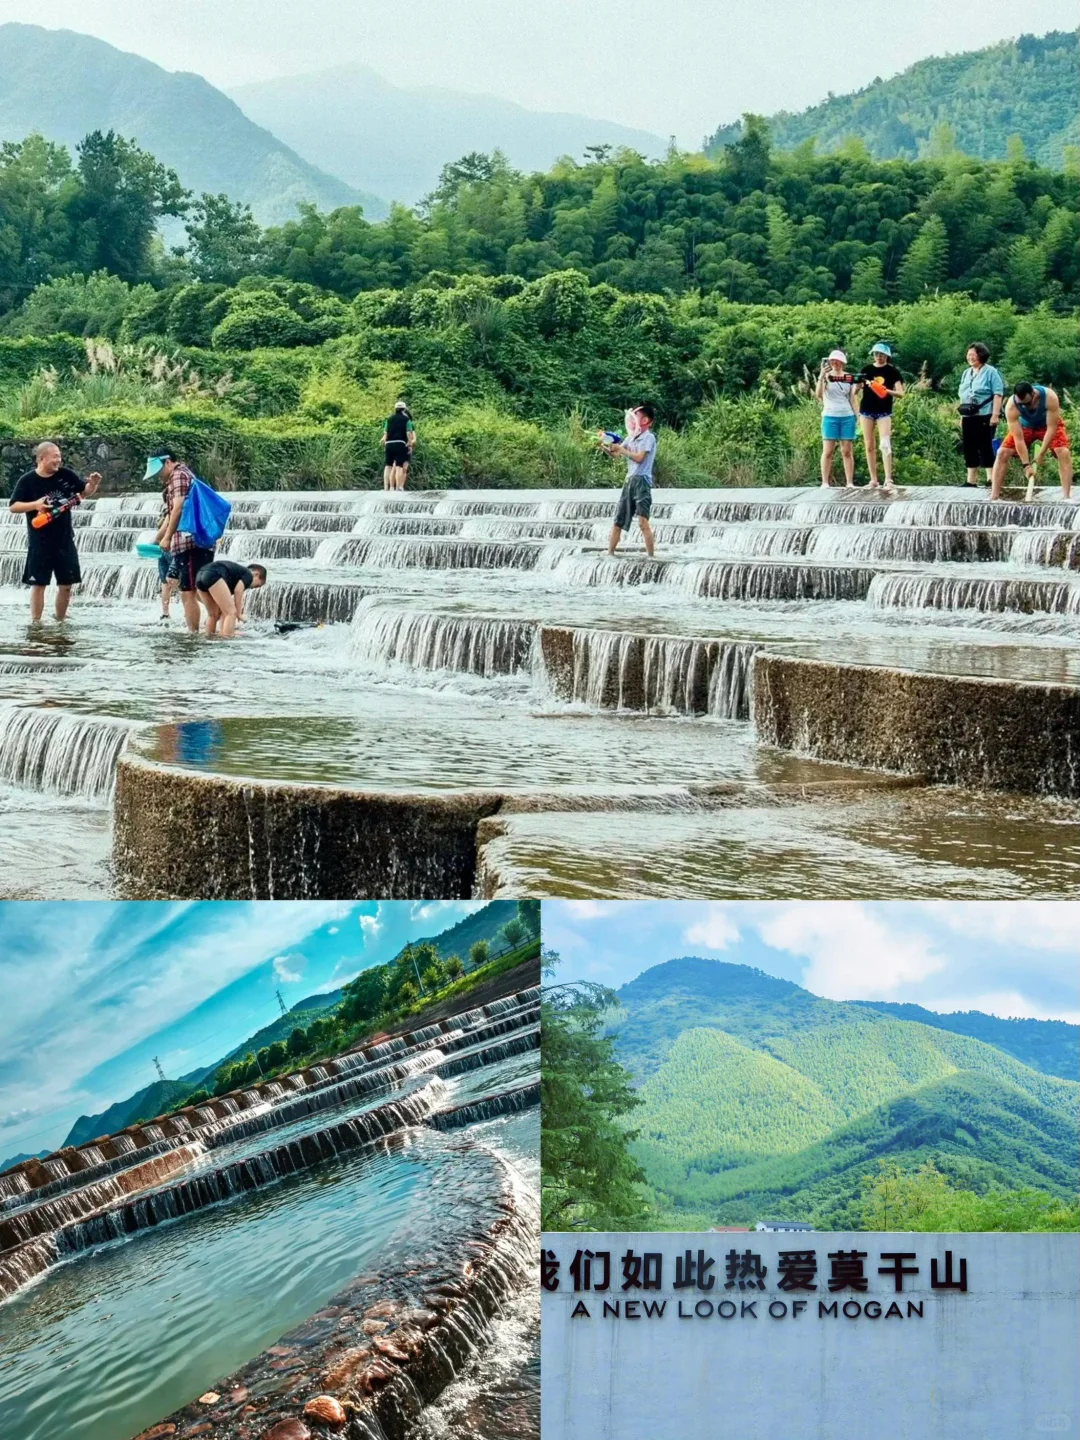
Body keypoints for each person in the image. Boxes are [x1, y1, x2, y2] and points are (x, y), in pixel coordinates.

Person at [7, 441, 102, 622]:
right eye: (55, 456)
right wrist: (35, 505)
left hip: (64, 540)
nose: (59, 460)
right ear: (42, 458)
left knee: (66, 585)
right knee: (39, 584)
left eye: (60, 456)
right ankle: (36, 623)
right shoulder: (27, 480)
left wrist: (93, 485)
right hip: (40, 541)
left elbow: (85, 491)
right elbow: (13, 506)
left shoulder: (66, 475)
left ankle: (60, 621)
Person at [148, 453, 214, 633]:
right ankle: (215, 621)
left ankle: (197, 631)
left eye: (159, 471)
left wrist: (167, 537)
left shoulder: (178, 476)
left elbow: (177, 508)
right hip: (191, 543)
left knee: (189, 591)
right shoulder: (184, 474)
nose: (158, 476)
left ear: (168, 462)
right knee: (190, 589)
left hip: (190, 543)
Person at [990, 381, 1073, 501]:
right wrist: (1026, 465)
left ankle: (1066, 497)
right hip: (1025, 427)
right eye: (1022, 404)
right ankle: (994, 497)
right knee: (1002, 452)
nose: (1025, 407)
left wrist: (1041, 454)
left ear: (1035, 395)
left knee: (1063, 452)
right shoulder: (1011, 405)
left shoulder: (1049, 397)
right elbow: (1018, 438)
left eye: (1028, 403)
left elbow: (1051, 428)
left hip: (1047, 426)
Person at [601, 404, 658, 557]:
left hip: (642, 482)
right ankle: (610, 553)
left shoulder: (649, 437)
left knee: (642, 522)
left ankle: (651, 557)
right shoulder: (630, 437)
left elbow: (639, 458)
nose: (633, 419)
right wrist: (606, 447)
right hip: (629, 481)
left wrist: (622, 450)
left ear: (646, 420)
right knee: (618, 520)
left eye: (636, 416)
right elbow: (616, 454)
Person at [957, 343, 1005, 487]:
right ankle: (971, 479)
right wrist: (961, 416)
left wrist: (995, 415)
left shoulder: (991, 372)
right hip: (968, 415)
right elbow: (963, 396)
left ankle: (991, 478)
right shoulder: (966, 373)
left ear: (981, 355)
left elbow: (998, 394)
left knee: (985, 445)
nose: (970, 357)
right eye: (969, 354)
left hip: (986, 414)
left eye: (973, 354)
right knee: (969, 446)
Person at [858, 343, 904, 489]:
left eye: (881, 354)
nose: (879, 356)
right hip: (866, 410)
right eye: (876, 354)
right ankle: (873, 479)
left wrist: (884, 390)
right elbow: (856, 388)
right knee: (869, 444)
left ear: (887, 356)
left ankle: (888, 479)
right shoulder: (866, 370)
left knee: (885, 443)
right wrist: (857, 385)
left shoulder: (893, 372)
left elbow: (901, 393)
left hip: (884, 411)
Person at [816, 350, 858, 488]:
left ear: (843, 362)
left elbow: (852, 397)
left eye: (838, 361)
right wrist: (822, 376)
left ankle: (849, 482)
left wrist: (857, 416)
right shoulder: (826, 377)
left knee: (847, 450)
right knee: (828, 451)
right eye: (832, 361)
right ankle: (825, 482)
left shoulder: (848, 377)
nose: (835, 363)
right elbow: (819, 394)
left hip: (847, 415)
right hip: (830, 415)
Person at [194, 559, 267, 638]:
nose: (254, 588)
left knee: (213, 614)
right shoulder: (248, 575)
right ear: (256, 574)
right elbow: (238, 591)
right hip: (213, 575)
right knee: (231, 612)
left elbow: (224, 611)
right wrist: (239, 614)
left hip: (200, 576)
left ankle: (209, 638)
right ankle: (227, 641)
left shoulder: (234, 576)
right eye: (258, 585)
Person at [381, 401, 415, 491]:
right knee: (399, 466)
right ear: (404, 409)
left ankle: (385, 487)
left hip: (389, 443)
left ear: (395, 409)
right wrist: (410, 444)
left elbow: (385, 433)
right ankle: (398, 488)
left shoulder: (389, 419)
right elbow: (408, 433)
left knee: (388, 466)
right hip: (400, 443)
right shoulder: (406, 420)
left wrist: (384, 444)